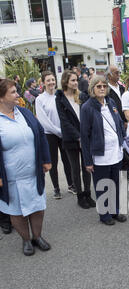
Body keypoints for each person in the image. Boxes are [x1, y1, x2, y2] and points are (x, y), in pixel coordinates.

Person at [0, 78, 52, 256]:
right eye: (13, 92)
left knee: (37, 206)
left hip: (33, 173)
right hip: (11, 177)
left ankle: (37, 236)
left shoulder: (24, 113)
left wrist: (46, 159)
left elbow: (40, 135)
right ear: (1, 98)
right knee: (17, 211)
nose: (18, 95)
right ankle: (26, 240)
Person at [80, 76, 127, 225]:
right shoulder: (87, 107)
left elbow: (118, 122)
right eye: (98, 86)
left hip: (116, 154)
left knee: (115, 185)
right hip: (100, 156)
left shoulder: (111, 102)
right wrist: (87, 161)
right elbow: (84, 136)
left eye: (104, 86)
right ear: (92, 88)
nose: (102, 89)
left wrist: (122, 138)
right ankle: (105, 215)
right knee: (103, 186)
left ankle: (115, 211)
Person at [55, 70, 95, 209]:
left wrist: (85, 135)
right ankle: (80, 196)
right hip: (71, 139)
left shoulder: (82, 96)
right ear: (65, 82)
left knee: (87, 167)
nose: (75, 82)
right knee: (75, 168)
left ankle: (88, 194)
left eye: (76, 80)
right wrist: (78, 136)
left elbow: (87, 115)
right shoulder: (59, 99)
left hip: (84, 137)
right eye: (72, 80)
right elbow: (64, 121)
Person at [36, 71, 74, 199]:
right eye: (48, 80)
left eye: (53, 79)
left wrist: (64, 131)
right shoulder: (40, 99)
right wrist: (58, 131)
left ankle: (71, 185)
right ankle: (56, 188)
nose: (51, 82)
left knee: (67, 160)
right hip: (50, 135)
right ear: (43, 83)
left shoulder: (60, 95)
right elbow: (43, 121)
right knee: (52, 161)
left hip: (64, 133)